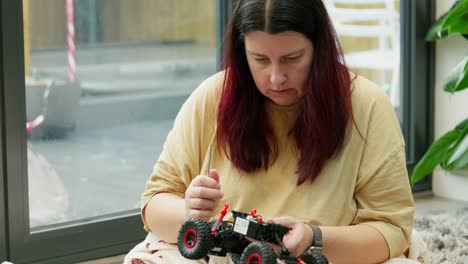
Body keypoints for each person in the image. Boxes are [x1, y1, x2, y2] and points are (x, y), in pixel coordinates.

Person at [125, 0, 421, 263]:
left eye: (292, 59)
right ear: (242, 52)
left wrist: (314, 237)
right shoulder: (213, 96)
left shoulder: (366, 106)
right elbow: (154, 203)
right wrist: (189, 212)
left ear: (319, 48)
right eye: (260, 60)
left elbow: (392, 229)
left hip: (325, 254)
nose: (276, 78)